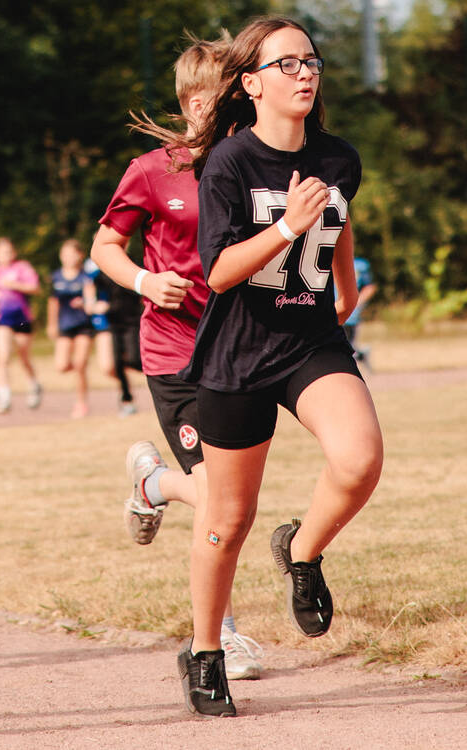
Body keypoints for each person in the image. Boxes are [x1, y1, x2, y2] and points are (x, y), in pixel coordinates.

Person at [174, 17, 382, 716]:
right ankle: (204, 652)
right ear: (251, 83)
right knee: (227, 520)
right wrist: (288, 226)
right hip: (237, 352)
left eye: (311, 60)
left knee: (359, 460)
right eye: (286, 63)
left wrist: (345, 285)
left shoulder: (339, 156)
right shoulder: (229, 164)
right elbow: (221, 271)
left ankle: (303, 549)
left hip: (308, 341)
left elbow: (340, 215)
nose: (304, 72)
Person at [92, 31, 266, 684]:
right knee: (223, 502)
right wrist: (143, 281)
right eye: (211, 102)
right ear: (191, 104)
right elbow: (105, 246)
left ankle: (151, 484)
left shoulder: (259, 168)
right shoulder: (151, 171)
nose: (222, 114)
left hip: (243, 353)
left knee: (233, 502)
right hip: (174, 355)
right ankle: (220, 635)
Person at [0, 236, 44, 413]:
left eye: (9, 251)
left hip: (21, 317)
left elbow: (36, 288)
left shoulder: (22, 268)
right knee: (2, 357)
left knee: (23, 356)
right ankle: (4, 397)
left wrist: (15, 285)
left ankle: (34, 385)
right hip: (2, 319)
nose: (6, 254)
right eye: (2, 251)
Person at [48, 239, 98, 418]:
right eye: (65, 254)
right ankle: (81, 367)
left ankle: (81, 403)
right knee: (61, 366)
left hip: (83, 326)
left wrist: (84, 303)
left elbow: (91, 302)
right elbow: (53, 303)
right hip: (64, 326)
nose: (68, 258)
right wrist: (51, 324)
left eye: (72, 254)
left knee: (79, 365)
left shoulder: (85, 277)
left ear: (80, 256)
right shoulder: (56, 277)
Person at [86, 257, 141, 417]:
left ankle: (165, 376)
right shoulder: (99, 274)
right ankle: (126, 398)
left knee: (133, 360)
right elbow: (90, 289)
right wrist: (93, 304)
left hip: (132, 320)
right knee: (116, 363)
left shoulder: (132, 265)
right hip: (113, 322)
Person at [342, 255, 376, 364]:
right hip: (329, 311)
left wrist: (355, 303)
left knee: (344, 348)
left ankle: (360, 356)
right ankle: (361, 355)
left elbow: (369, 287)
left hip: (348, 315)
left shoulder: (360, 265)